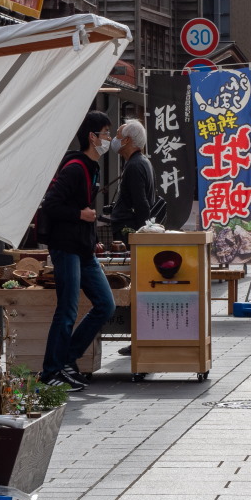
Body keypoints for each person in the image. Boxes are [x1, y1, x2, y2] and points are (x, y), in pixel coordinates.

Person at [39, 111, 116, 391]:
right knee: (67, 309)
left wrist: (90, 233)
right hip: (65, 247)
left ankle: (67, 359)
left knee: (106, 304)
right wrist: (80, 216)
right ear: (92, 137)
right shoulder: (75, 168)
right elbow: (50, 205)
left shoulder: (90, 167)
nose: (109, 138)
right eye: (106, 133)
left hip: (82, 248)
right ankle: (51, 372)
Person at [109, 119, 155, 245]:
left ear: (127, 140)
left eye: (118, 134)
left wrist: (142, 234)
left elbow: (141, 203)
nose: (114, 138)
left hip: (128, 229)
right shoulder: (144, 162)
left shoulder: (134, 165)